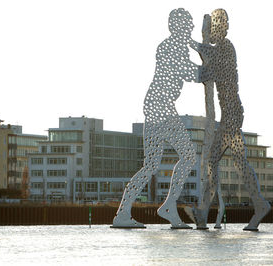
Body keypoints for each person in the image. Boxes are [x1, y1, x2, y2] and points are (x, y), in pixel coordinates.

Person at [112, 8, 201, 229]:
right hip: (160, 108)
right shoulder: (171, 47)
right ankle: (168, 206)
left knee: (151, 165)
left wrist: (198, 48)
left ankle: (123, 213)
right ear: (178, 27)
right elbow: (192, 73)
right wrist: (210, 66)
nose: (191, 29)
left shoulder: (174, 46)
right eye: (188, 25)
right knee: (188, 155)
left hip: (156, 107)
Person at [191, 9, 271, 231]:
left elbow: (208, 65)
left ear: (219, 27)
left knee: (215, 161)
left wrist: (191, 41)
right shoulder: (220, 51)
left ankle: (206, 210)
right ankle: (258, 205)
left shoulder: (226, 48)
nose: (212, 33)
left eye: (212, 28)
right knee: (236, 162)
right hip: (230, 115)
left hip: (232, 115)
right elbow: (205, 72)